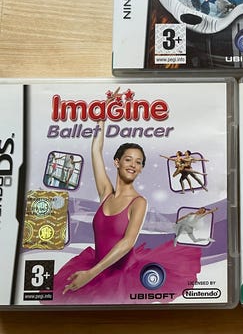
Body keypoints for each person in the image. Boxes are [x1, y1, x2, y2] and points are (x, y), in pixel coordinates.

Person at [50, 97, 201, 305]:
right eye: (128, 159)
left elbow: (128, 242)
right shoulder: (106, 193)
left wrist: (91, 273)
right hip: (95, 267)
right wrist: (102, 115)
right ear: (117, 162)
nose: (133, 165)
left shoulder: (139, 202)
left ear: (141, 169)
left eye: (138, 162)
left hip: (122, 275)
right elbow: (95, 150)